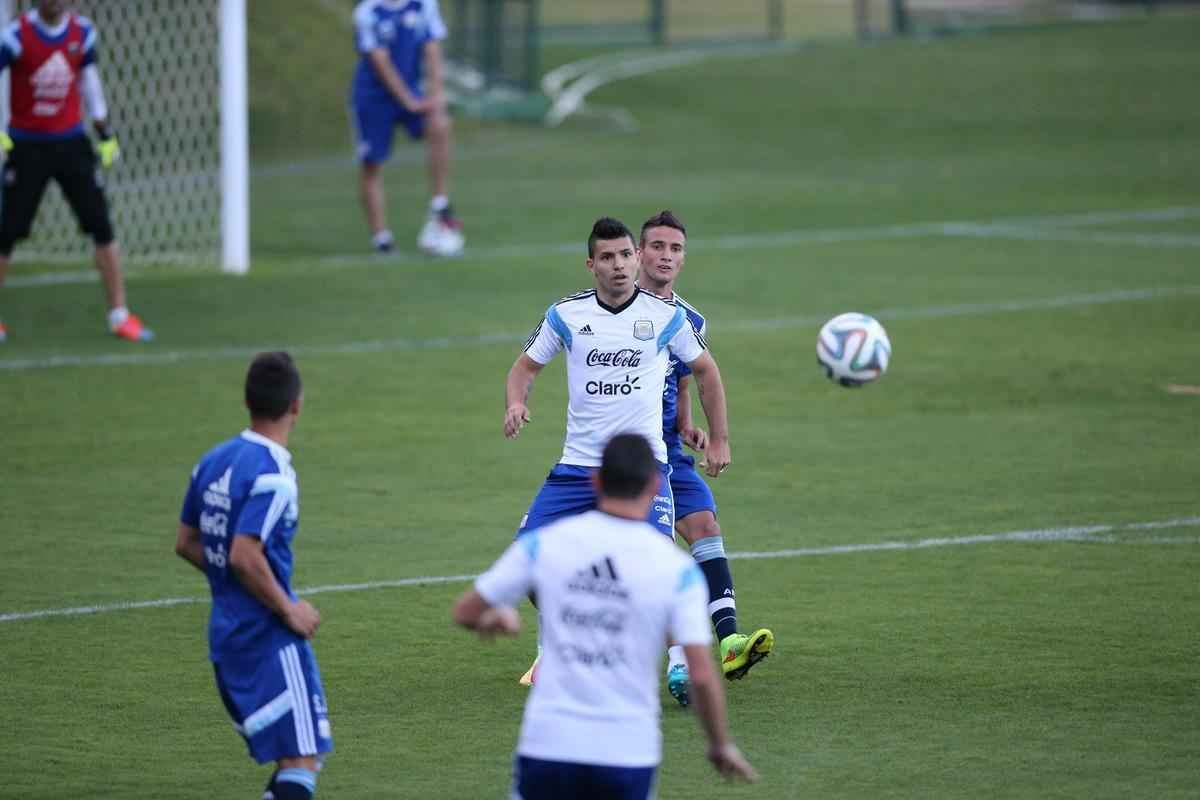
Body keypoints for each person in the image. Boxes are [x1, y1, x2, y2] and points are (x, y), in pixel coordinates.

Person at [453, 433, 760, 799]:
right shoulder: (677, 571)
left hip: (548, 743)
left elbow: (466, 611)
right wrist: (719, 745)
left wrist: (495, 620)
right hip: (627, 750)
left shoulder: (545, 543)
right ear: (655, 485)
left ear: (595, 481)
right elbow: (702, 674)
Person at [504, 216, 732, 685]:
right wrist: (515, 402)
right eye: (607, 257)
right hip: (578, 468)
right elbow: (524, 368)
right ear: (591, 265)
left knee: (651, 572)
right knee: (525, 564)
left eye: (626, 255)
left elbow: (705, 370)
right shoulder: (567, 315)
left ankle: (683, 664)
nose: (619, 265)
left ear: (636, 258)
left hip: (643, 470)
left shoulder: (668, 318)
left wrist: (720, 436)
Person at [174, 352, 331, 800]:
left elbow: (186, 542)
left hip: (226, 634)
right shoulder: (275, 476)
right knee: (302, 760)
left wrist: (234, 581)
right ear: (296, 405)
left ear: (248, 401)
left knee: (296, 760)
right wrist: (288, 607)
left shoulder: (213, 461)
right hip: (268, 635)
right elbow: (244, 554)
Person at [636, 210, 775, 707]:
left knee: (705, 529)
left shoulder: (689, 319)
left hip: (671, 450)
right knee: (658, 554)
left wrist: (694, 427)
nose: (666, 256)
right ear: (638, 253)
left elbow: (686, 376)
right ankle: (678, 662)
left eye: (675, 249)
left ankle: (731, 642)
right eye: (657, 247)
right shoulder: (614, 310)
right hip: (629, 457)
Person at [0, 0, 151, 343]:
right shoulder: (15, 36)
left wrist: (104, 131)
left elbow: (90, 83)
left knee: (101, 225)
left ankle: (120, 315)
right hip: (27, 146)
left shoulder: (82, 33)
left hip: (71, 144)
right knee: (6, 232)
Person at [350, 0, 463, 256]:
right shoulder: (368, 12)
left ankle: (439, 204)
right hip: (373, 97)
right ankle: (382, 239)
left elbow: (432, 48)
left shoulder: (423, 5)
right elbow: (380, 60)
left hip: (411, 91)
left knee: (440, 121)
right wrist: (407, 100)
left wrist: (436, 95)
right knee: (372, 165)